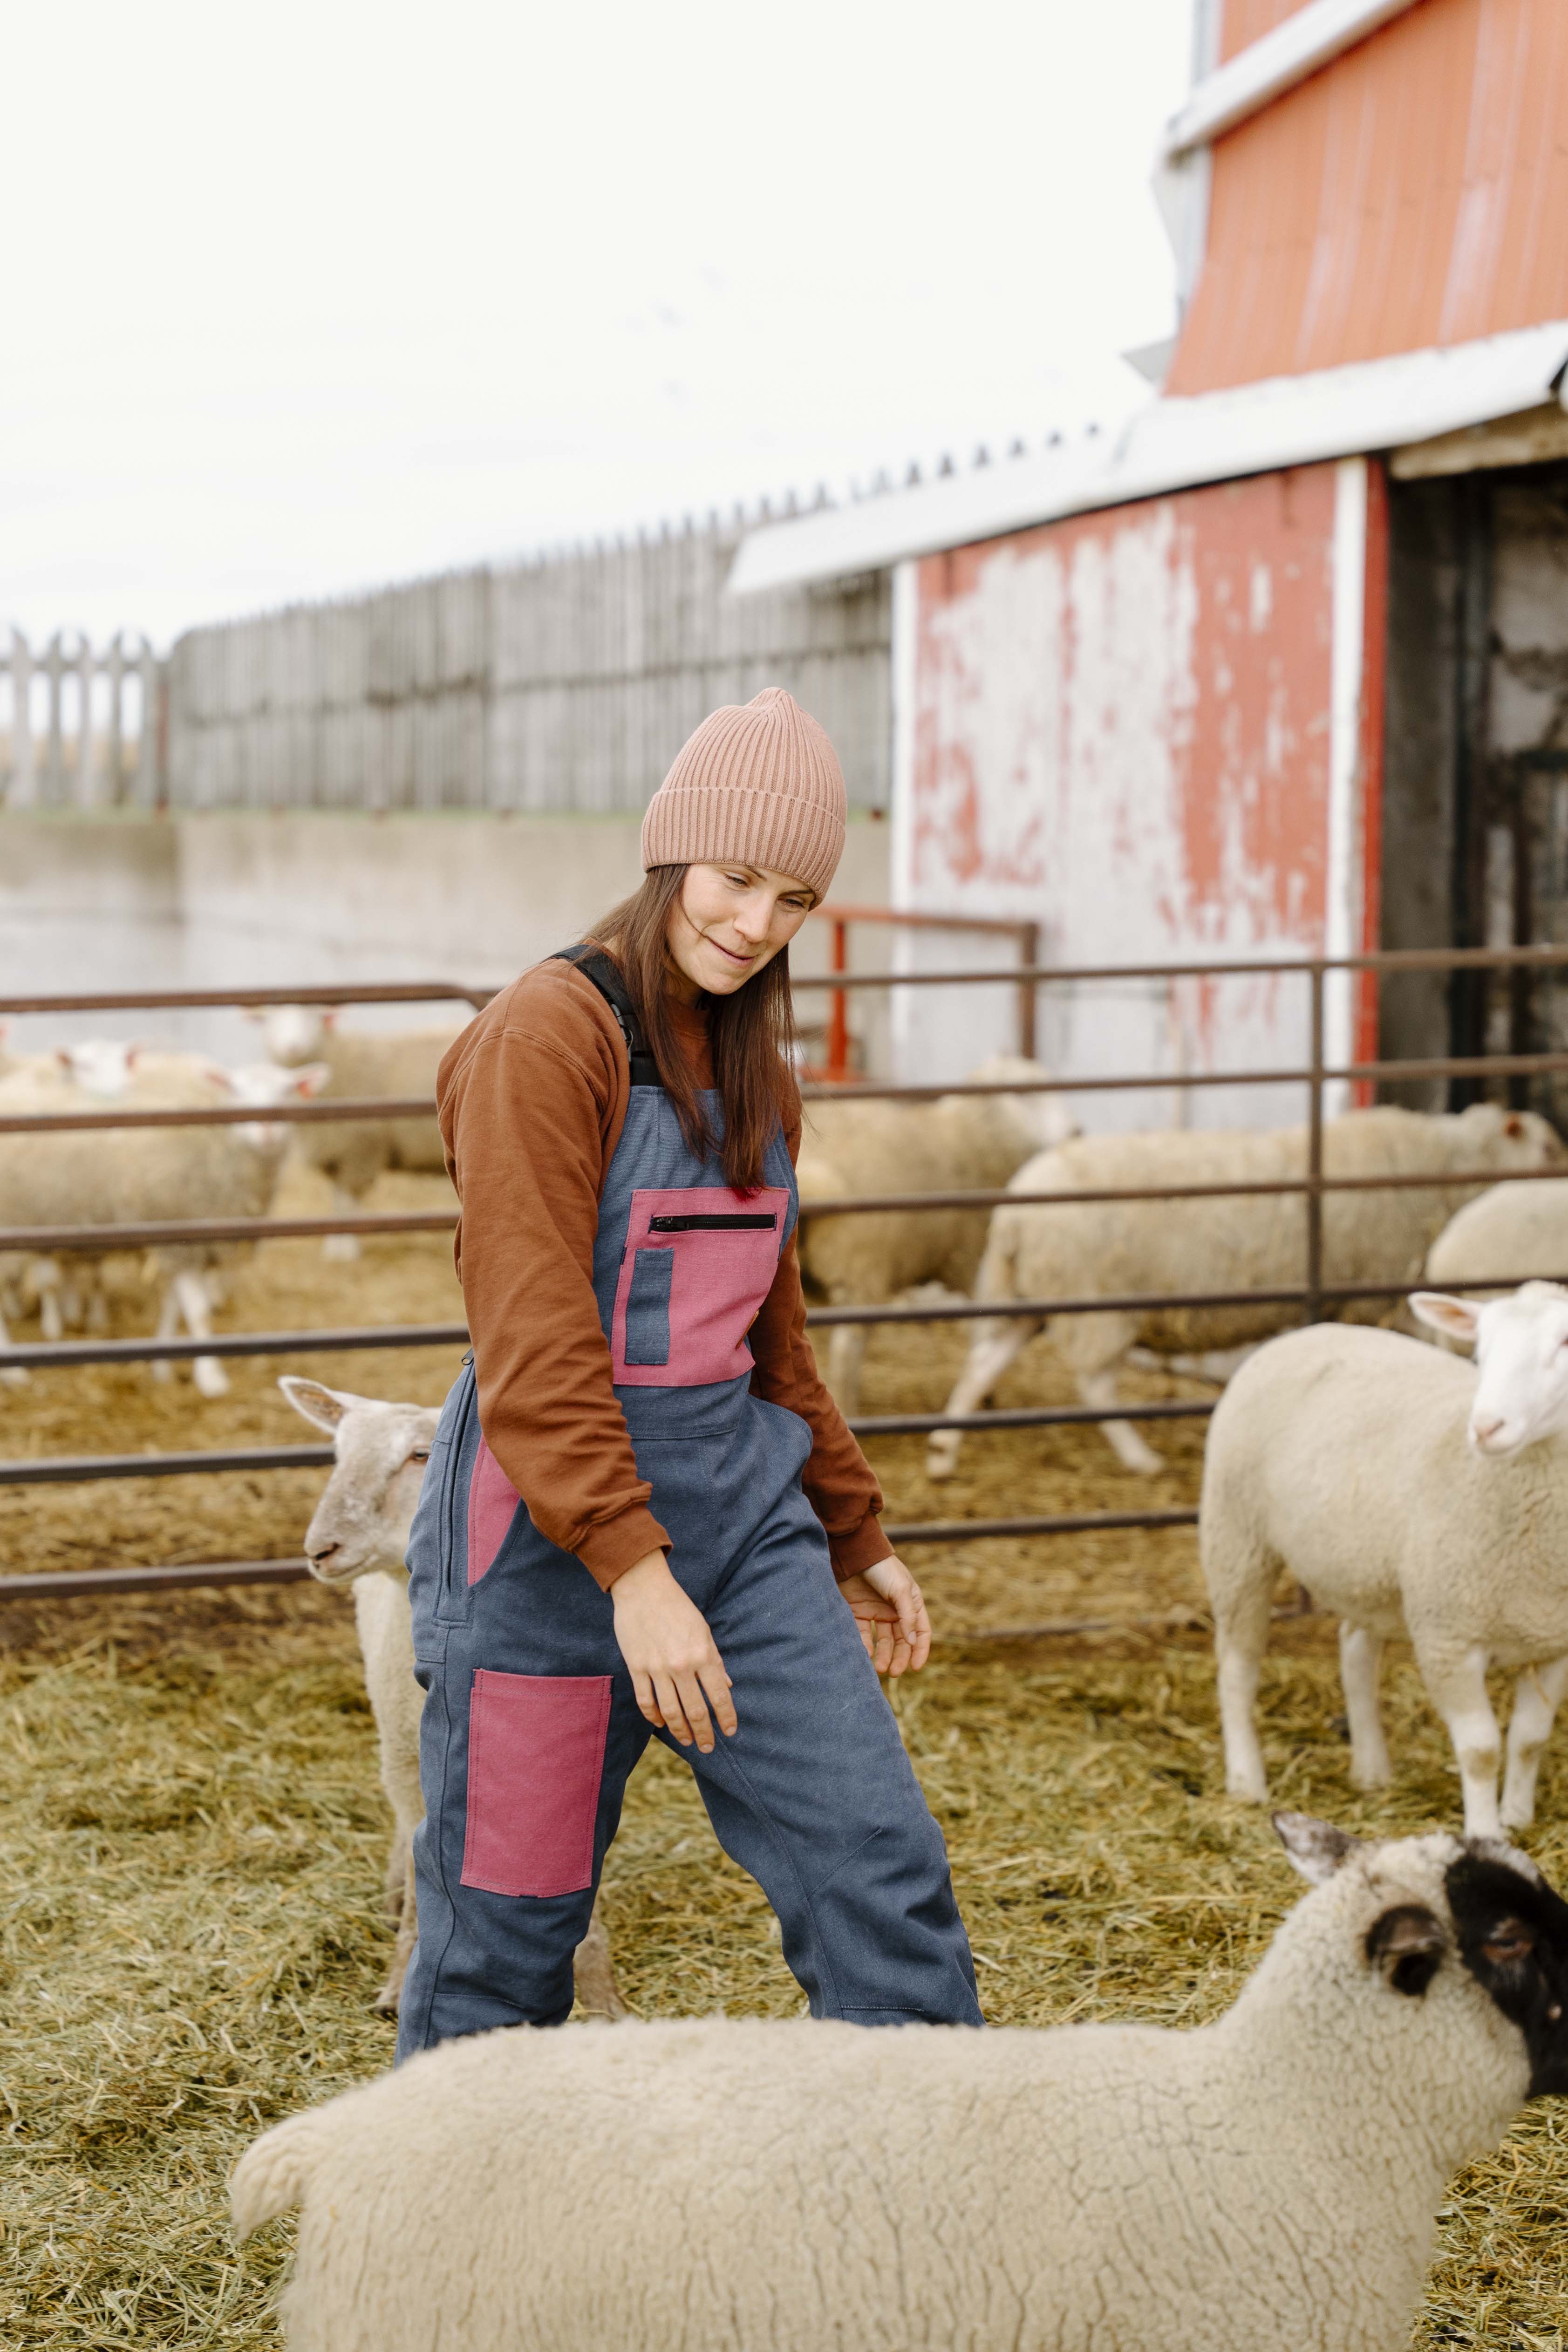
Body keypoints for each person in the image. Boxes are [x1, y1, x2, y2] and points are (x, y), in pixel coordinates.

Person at [395, 687, 982, 2056]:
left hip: (742, 1542)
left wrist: (854, 1531)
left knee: (881, 1876)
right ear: (672, 849)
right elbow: (533, 1340)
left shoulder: (753, 1068)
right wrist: (632, 1572)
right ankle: (443, 2189)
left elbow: (771, 1341)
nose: (757, 922)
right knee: (504, 1939)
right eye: (735, 877)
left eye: (795, 898)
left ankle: (930, 2179)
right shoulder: (547, 1038)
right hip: (546, 1567)